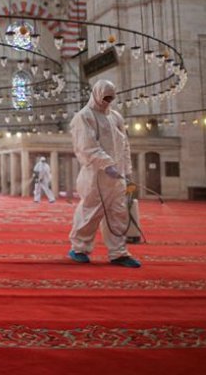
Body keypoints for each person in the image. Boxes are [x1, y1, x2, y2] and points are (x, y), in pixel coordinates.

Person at [67, 79, 141, 268]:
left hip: (117, 178)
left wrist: (127, 171)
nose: (107, 101)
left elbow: (124, 146)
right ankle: (79, 248)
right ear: (97, 94)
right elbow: (86, 146)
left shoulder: (116, 117)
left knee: (119, 213)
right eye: (105, 97)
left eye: (111, 98)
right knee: (90, 213)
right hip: (95, 177)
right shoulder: (84, 116)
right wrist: (106, 164)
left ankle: (118, 253)